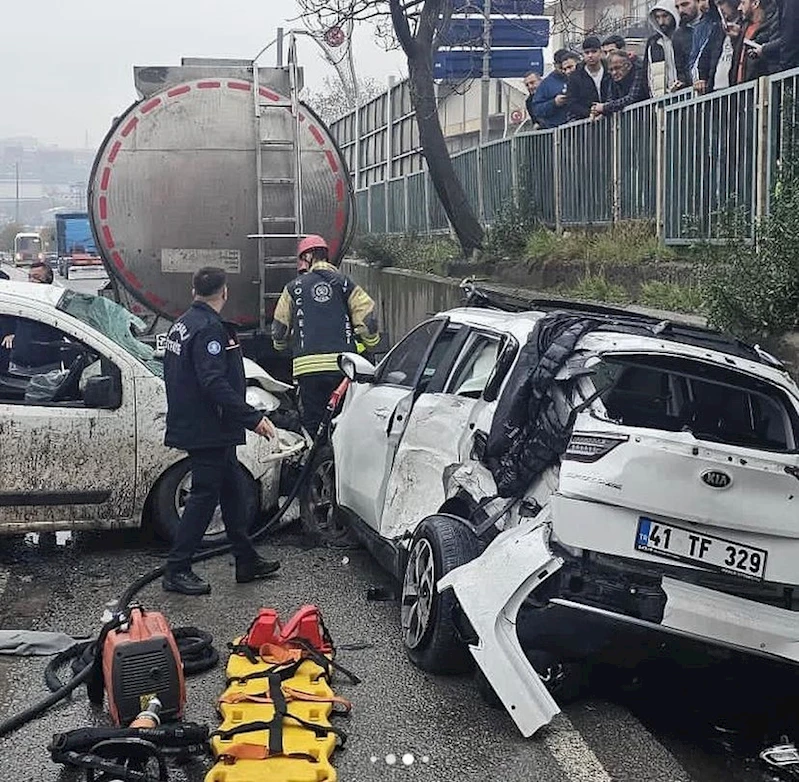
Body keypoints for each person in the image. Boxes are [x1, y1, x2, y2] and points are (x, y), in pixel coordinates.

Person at [161, 266, 280, 596]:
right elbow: (213, 382)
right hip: (208, 427)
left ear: (193, 290)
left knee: (232, 492)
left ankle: (245, 559)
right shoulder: (209, 329)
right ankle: (177, 568)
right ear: (224, 292)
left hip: (203, 424)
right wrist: (252, 418)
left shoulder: (183, 324)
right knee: (203, 497)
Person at [272, 235, 380, 438]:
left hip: (307, 370)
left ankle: (315, 463)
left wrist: (281, 347)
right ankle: (338, 463)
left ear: (308, 256)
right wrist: (371, 344)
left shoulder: (293, 288)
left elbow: (279, 328)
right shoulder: (345, 284)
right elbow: (367, 318)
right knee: (341, 423)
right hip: (342, 368)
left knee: (312, 424)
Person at [2, 262, 65, 370]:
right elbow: (12, 318)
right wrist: (10, 333)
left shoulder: (56, 301)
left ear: (48, 278)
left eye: (36, 277)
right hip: (19, 364)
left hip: (46, 365)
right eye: (30, 277)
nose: (31, 281)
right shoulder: (24, 299)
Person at [645, 0, 693, 95]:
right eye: (657, 17)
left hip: (686, 93)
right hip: (662, 99)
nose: (661, 22)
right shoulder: (653, 43)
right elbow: (647, 74)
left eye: (665, 16)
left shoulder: (688, 35)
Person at [731, 0, 780, 82]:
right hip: (740, 88)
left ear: (755, 3)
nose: (739, 8)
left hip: (761, 85)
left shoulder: (771, 26)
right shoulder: (743, 28)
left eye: (743, 3)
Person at [591, 51, 652, 117]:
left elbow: (632, 98)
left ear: (628, 66)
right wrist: (599, 111)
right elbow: (610, 99)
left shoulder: (639, 71)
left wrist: (604, 107)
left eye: (617, 68)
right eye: (611, 70)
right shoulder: (613, 79)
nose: (614, 72)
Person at [532, 49, 580, 129]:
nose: (566, 71)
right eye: (562, 67)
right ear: (555, 65)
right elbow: (537, 109)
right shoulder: (546, 84)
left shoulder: (581, 77)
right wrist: (554, 103)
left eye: (569, 67)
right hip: (557, 130)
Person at [567, 36, 611, 121]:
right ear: (583, 54)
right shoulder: (575, 76)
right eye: (587, 52)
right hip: (587, 122)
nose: (590, 55)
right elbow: (571, 102)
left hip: (611, 117)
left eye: (594, 51)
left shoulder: (610, 69)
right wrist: (589, 112)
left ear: (601, 52)